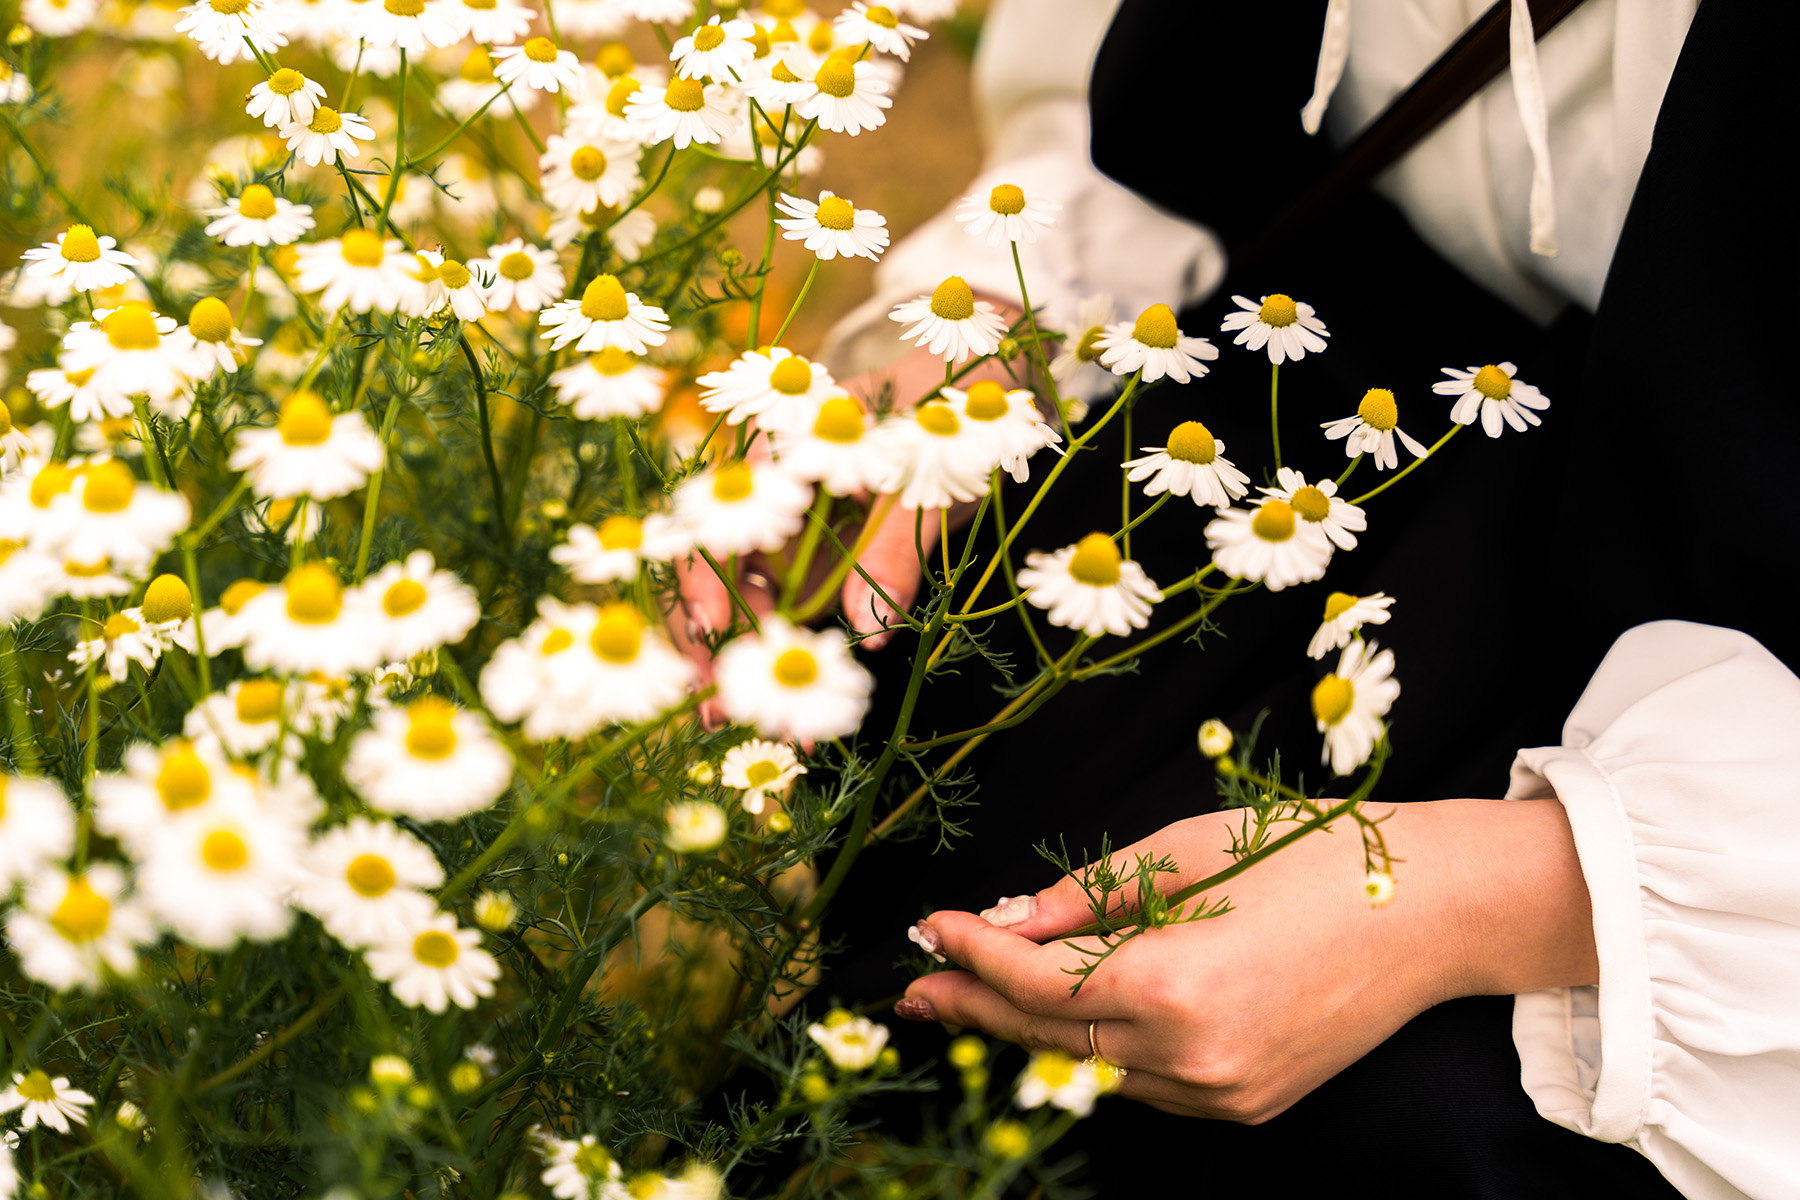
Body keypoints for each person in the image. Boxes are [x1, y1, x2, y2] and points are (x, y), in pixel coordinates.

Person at [745, 0, 1799, 1197]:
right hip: (1387, 372)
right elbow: (1149, 109)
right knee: (976, 649)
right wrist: (983, 331)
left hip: (1754, 717)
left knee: (1445, 1110)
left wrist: (1467, 901)